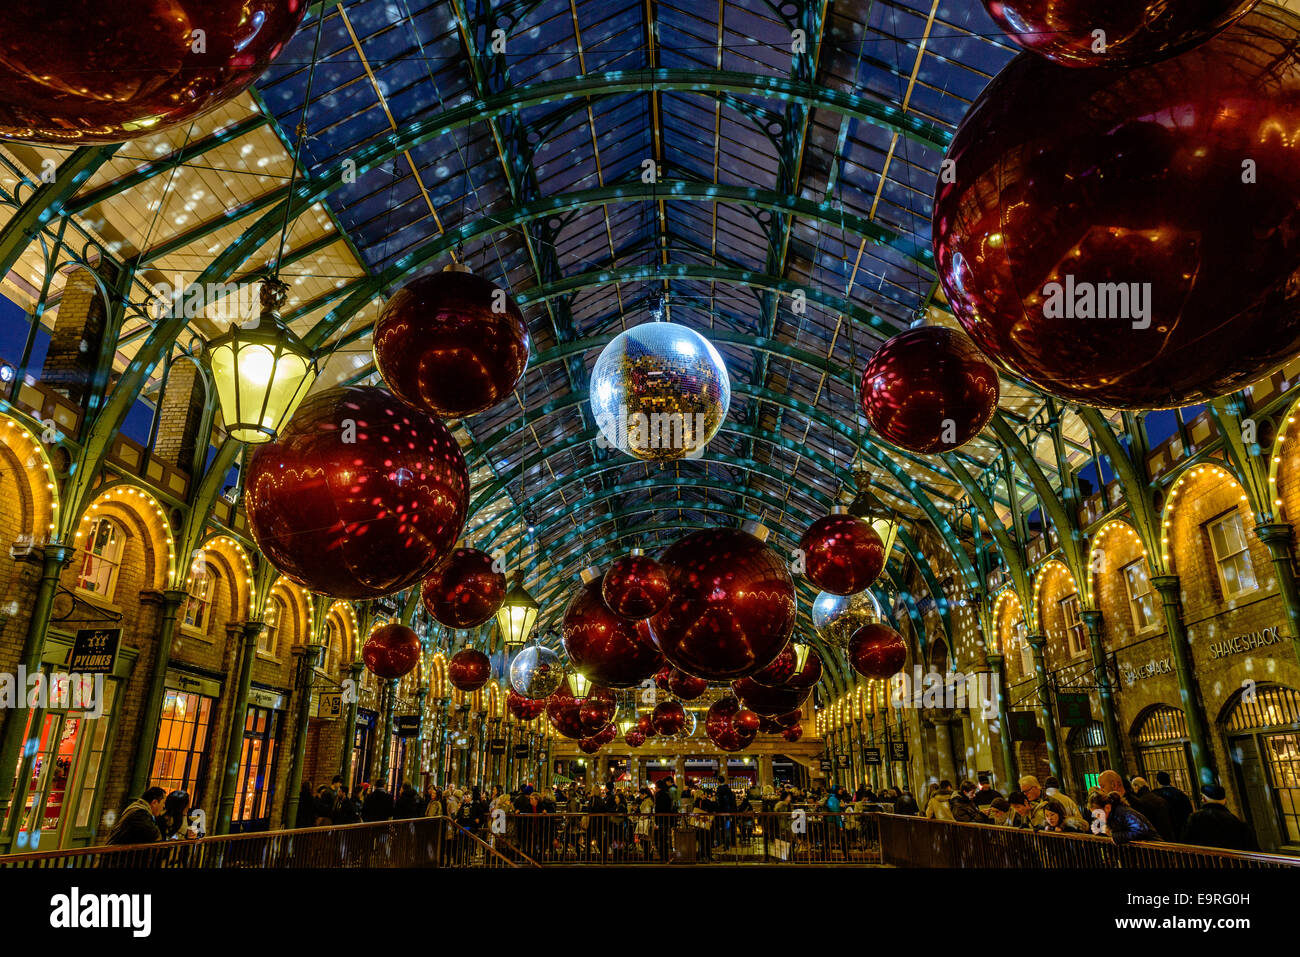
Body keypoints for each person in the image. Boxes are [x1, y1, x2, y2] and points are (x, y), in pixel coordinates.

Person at [1183, 784, 1258, 852]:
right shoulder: (1235, 820)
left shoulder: (1195, 818)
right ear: (1224, 801)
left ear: (1204, 799)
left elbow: (1186, 842)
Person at [1095, 790, 1160, 845]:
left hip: (1154, 849)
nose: (1097, 817)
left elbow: (1139, 830)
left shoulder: (1123, 812)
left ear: (1107, 808)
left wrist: (1116, 837)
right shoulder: (1113, 815)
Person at [1128, 776, 1176, 841]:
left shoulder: (1140, 803)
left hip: (1154, 838)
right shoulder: (1160, 799)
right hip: (1167, 835)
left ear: (1136, 787)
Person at [1153, 771, 1194, 840]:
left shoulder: (1155, 795)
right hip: (1181, 826)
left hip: (1165, 828)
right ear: (1170, 780)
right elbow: (1188, 810)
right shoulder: (1180, 794)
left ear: (1157, 781)